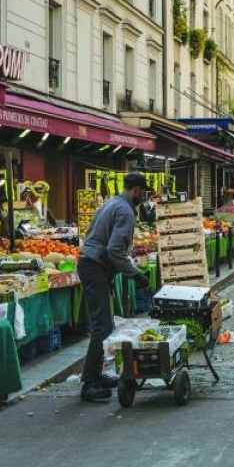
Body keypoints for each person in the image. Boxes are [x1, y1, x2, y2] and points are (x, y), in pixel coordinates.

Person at [77, 172, 149, 402]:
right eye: (144, 192)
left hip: (93, 265)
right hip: (95, 266)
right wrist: (135, 274)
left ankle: (95, 376)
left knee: (103, 324)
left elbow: (92, 236)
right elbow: (115, 249)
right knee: (102, 326)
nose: (145, 197)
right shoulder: (126, 211)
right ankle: (89, 384)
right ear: (137, 190)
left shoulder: (111, 204)